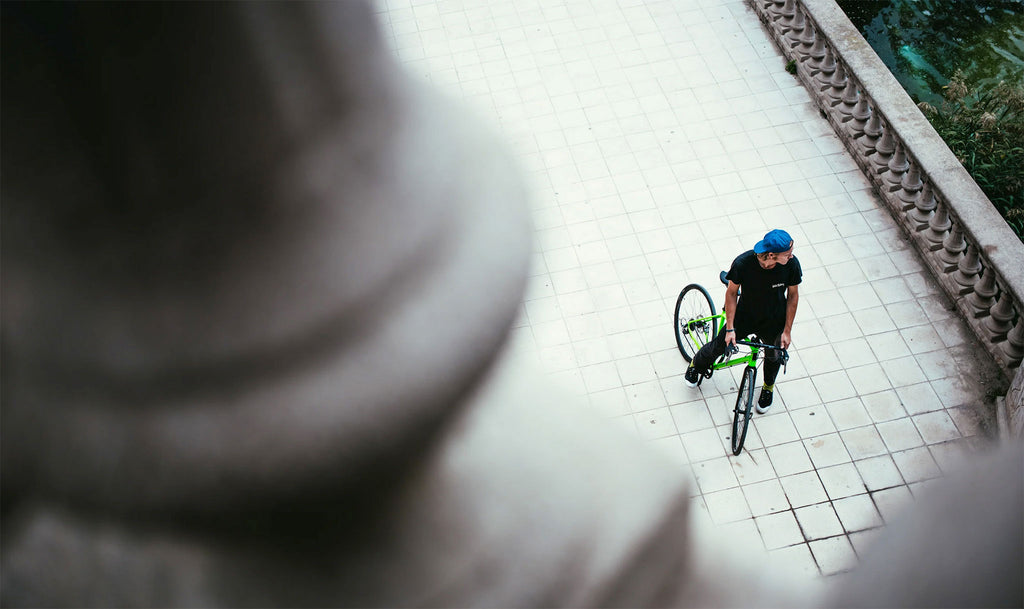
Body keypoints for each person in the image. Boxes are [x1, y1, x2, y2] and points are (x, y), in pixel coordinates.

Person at [684, 229, 801, 413]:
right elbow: (731, 293)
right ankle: (695, 365)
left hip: (773, 319)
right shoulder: (743, 263)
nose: (792, 256)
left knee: (774, 356)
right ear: (771, 255)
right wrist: (730, 328)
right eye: (788, 253)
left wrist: (787, 330)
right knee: (719, 346)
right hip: (745, 315)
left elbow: (793, 296)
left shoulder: (791, 265)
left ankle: (768, 388)